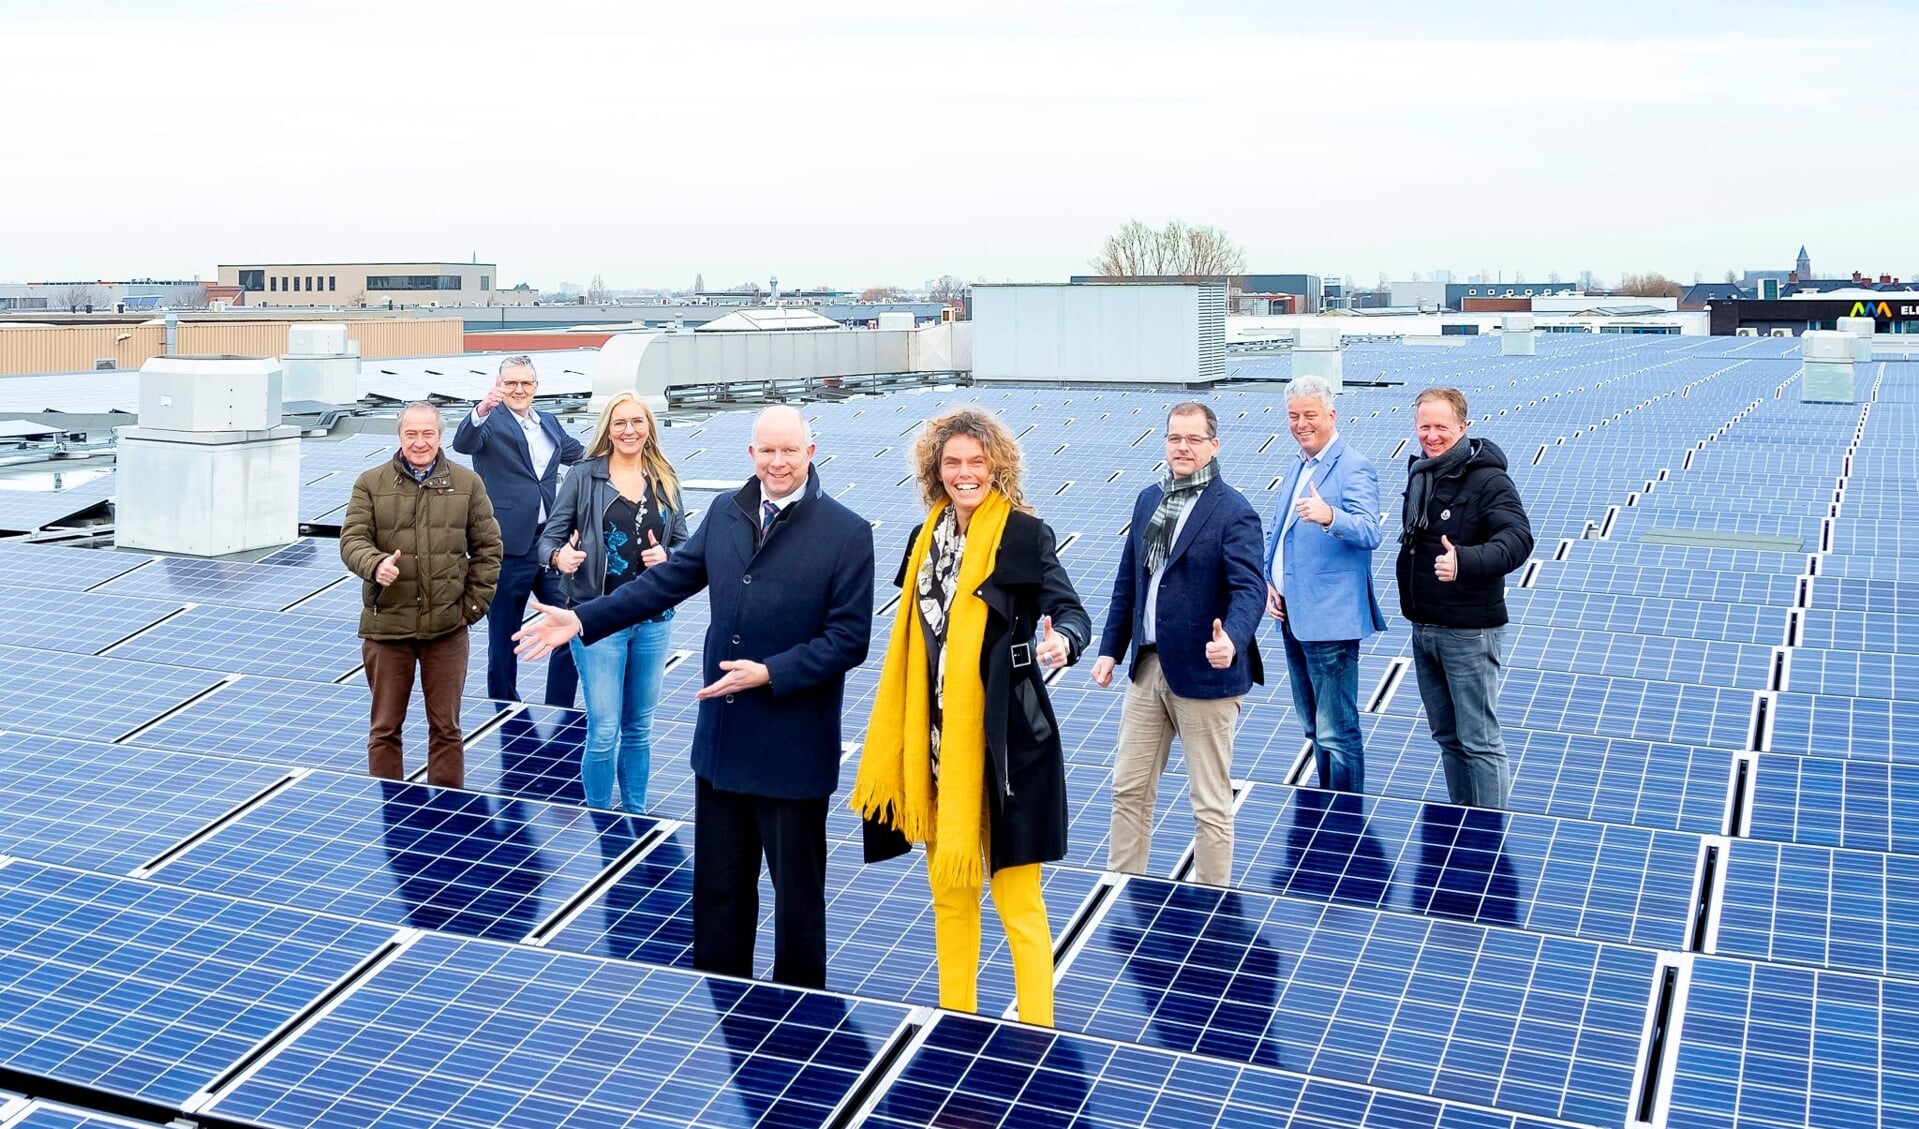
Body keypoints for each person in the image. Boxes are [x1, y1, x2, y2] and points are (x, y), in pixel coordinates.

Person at [514, 405, 874, 989]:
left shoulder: (845, 531)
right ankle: (721, 1015)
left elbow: (848, 639)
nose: (777, 462)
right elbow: (667, 581)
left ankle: (795, 1030)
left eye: (789, 450)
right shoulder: (726, 513)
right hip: (724, 748)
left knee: (797, 907)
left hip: (792, 750)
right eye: (766, 451)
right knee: (718, 898)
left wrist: (771, 672)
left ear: (811, 452)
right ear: (751, 455)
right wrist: (581, 620)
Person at [852, 407, 1090, 1028]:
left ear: (996, 468)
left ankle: (1037, 1032)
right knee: (950, 899)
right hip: (935, 746)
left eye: (976, 462)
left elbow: (1070, 610)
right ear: (936, 470)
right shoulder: (923, 537)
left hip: (1006, 748)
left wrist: (1063, 640)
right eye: (952, 462)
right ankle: (959, 1026)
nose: (964, 473)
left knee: (1019, 904)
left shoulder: (1023, 535)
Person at [1092, 401, 1266, 887]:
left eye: (1193, 439)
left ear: (1214, 445)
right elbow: (1130, 580)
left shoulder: (1234, 510)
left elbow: (1250, 588)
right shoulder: (1151, 499)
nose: (1182, 447)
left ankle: (1213, 906)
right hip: (1148, 666)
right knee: (1129, 788)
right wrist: (1110, 649)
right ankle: (1123, 890)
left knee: (1209, 802)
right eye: (1174, 438)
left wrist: (1231, 638)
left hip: (1207, 675)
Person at [536, 391, 690, 813]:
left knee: (639, 727)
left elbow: (685, 544)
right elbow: (549, 538)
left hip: (654, 618)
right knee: (604, 727)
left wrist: (669, 558)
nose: (629, 430)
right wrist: (558, 557)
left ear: (649, 428)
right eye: (620, 422)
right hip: (597, 617)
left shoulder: (665, 477)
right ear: (607, 428)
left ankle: (635, 815)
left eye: (637, 422)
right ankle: (599, 819)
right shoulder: (585, 476)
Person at [340, 402, 502, 788]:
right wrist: (375, 564)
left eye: (427, 433)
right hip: (386, 629)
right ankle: (389, 814)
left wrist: (470, 609)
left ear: (440, 436)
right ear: (399, 437)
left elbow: (489, 549)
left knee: (446, 729)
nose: (419, 442)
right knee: (384, 729)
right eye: (411, 433)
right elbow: (352, 540)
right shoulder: (370, 483)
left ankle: (446, 819)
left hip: (447, 630)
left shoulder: (467, 484)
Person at [1397, 386, 1534, 809]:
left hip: (1469, 633)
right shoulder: (1422, 473)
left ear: (1463, 427)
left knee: (1478, 740)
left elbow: (1517, 539)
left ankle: (1488, 835)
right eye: (1424, 427)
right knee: (1448, 737)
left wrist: (1466, 561)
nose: (1432, 436)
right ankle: (1463, 824)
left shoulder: (1488, 479)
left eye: (1441, 427)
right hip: (1425, 627)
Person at [1266, 375, 1386, 793]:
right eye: (1294, 416)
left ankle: (1345, 820)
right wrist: (1270, 581)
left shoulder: (1354, 466)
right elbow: (1279, 533)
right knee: (1314, 727)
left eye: (1310, 415)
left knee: (1337, 730)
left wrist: (1331, 516)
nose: (1301, 423)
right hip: (1292, 613)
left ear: (1331, 415)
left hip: (1331, 620)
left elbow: (1370, 531)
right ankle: (1329, 811)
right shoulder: (1297, 464)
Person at [453, 354, 584, 705]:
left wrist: (627, 452)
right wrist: (481, 409)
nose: (518, 389)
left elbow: (582, 455)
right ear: (499, 385)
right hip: (507, 546)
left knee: (570, 623)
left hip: (550, 545)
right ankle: (505, 710)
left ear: (536, 387)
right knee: (504, 637)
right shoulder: (490, 422)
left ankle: (560, 708)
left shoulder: (550, 423)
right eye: (510, 383)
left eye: (525, 383)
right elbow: (462, 443)